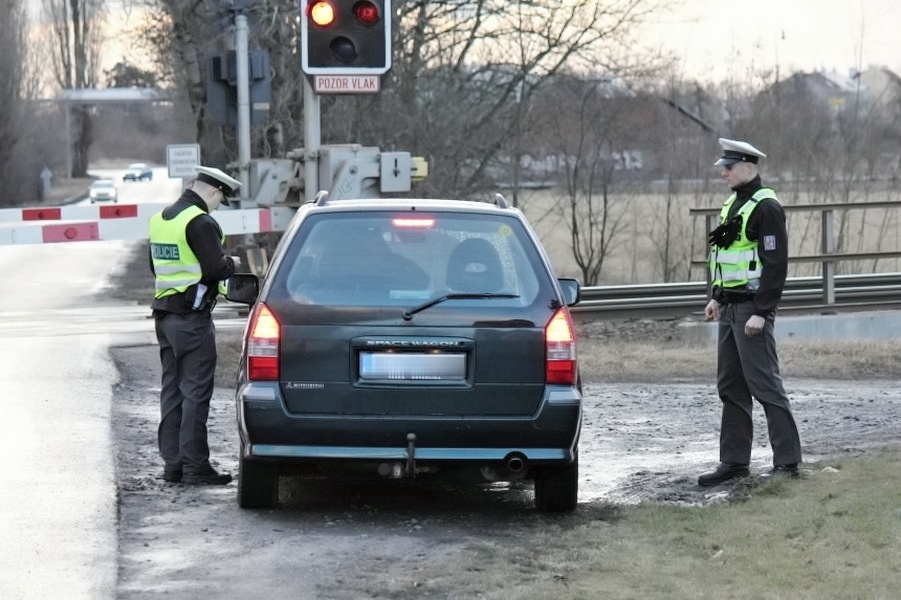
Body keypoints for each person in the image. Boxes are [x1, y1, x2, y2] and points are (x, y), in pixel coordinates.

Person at [698, 138, 803, 487]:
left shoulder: (766, 207)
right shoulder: (733, 204)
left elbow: (775, 265)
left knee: (765, 385)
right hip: (729, 306)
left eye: (729, 166)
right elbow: (727, 256)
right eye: (723, 166)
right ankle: (734, 462)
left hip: (751, 310)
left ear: (749, 167)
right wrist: (716, 296)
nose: (723, 172)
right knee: (730, 387)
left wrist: (762, 311)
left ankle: (787, 463)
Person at [148, 165, 242, 485]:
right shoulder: (201, 221)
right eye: (220, 200)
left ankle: (173, 465)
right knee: (195, 394)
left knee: (172, 392)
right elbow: (216, 268)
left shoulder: (162, 219)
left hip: (165, 317)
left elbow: (155, 265)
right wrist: (234, 264)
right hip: (192, 321)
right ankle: (195, 467)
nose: (217, 206)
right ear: (213, 192)